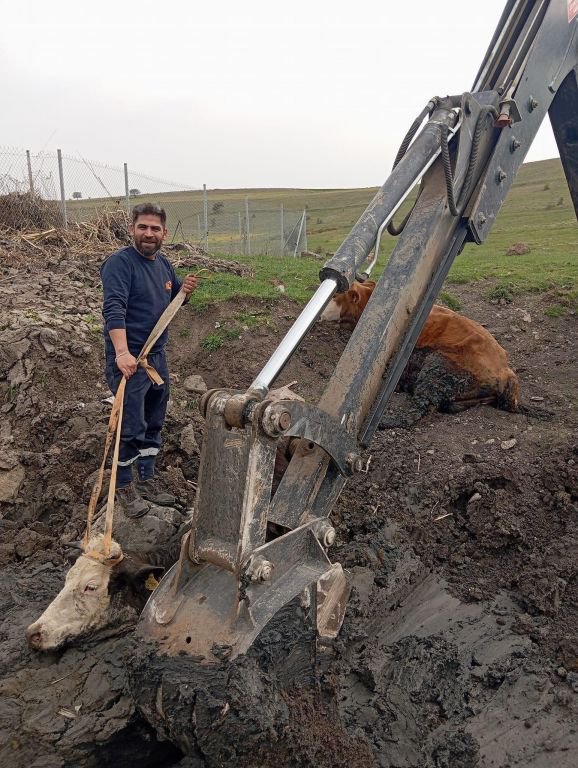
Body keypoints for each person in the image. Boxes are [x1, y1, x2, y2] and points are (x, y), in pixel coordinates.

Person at [100, 203, 197, 518]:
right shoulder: (120, 264)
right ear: (132, 229)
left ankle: (146, 478)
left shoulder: (164, 265)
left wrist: (186, 291)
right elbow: (113, 308)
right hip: (131, 360)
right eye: (143, 227)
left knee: (154, 420)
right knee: (132, 425)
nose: (148, 233)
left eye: (155, 229)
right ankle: (125, 487)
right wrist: (122, 353)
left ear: (164, 233)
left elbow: (170, 299)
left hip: (156, 359)